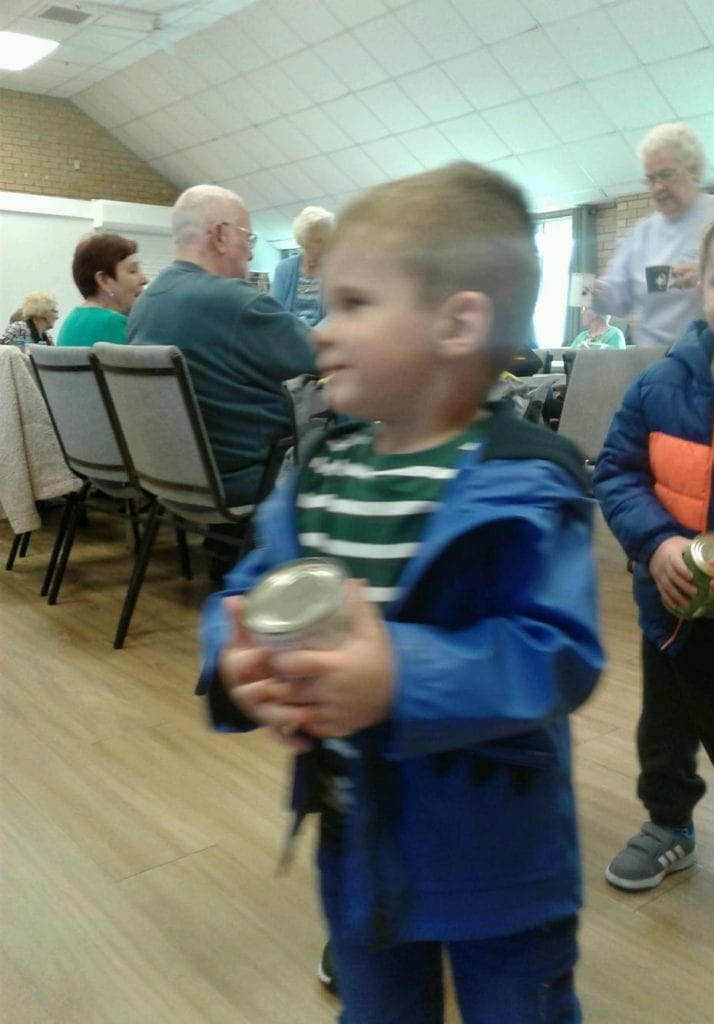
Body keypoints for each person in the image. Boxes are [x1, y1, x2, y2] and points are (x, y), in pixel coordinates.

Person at [198, 162, 604, 1022]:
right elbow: (248, 588)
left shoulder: (527, 480)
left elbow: (557, 652)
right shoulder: (319, 472)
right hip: (358, 840)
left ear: (457, 323)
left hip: (500, 861)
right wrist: (235, 660)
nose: (319, 331)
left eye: (352, 304)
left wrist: (399, 677)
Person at [593, 196, 714, 924]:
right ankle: (669, 826)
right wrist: (657, 542)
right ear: (702, 289)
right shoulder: (659, 384)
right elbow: (616, 472)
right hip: (670, 612)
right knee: (663, 734)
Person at [127, 184, 315, 509]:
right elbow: (328, 357)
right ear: (220, 235)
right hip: (252, 477)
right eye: (248, 238)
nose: (251, 253)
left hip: (171, 477)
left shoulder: (144, 304)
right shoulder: (237, 302)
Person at [592, 122, 714, 348]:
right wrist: (595, 292)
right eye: (651, 179)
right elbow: (617, 299)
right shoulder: (641, 235)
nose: (657, 188)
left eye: (666, 175)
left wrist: (709, 275)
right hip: (655, 359)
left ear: (693, 170)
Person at [56, 233, 147, 347]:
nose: (144, 280)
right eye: (132, 271)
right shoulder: (112, 324)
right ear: (103, 280)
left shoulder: (72, 321)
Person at [269, 206, 335, 327]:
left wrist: (310, 335)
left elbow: (337, 314)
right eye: (318, 241)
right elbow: (273, 311)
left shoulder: (337, 271)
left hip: (324, 336)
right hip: (289, 333)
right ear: (302, 241)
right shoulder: (285, 269)